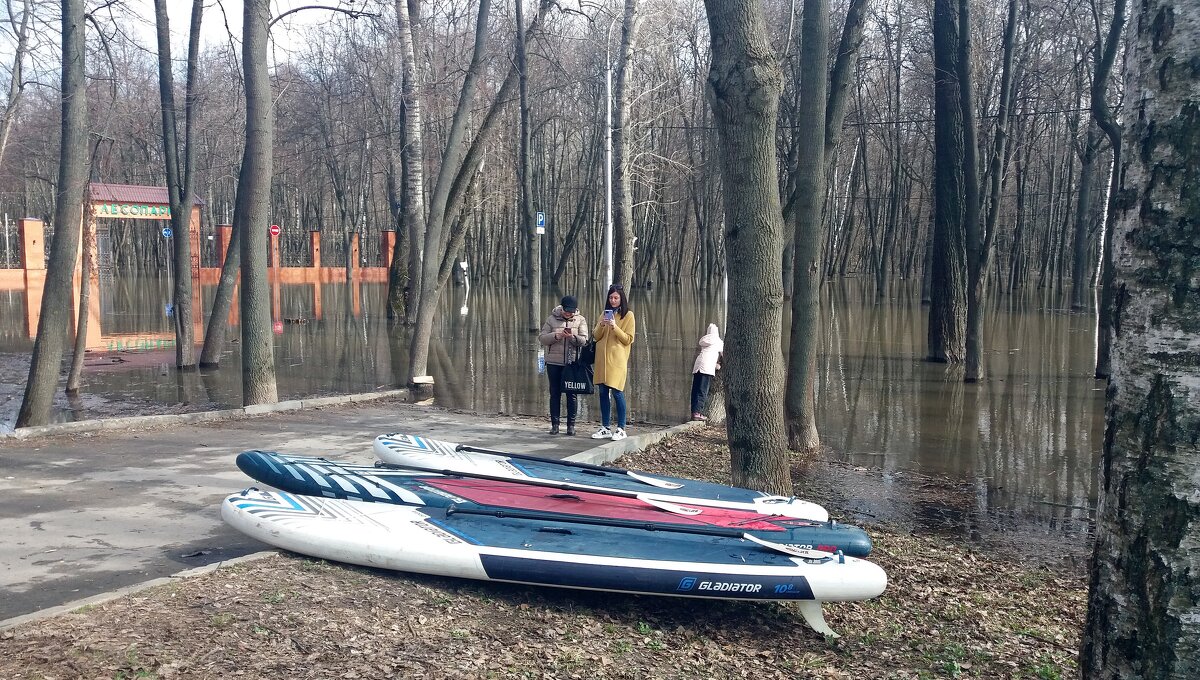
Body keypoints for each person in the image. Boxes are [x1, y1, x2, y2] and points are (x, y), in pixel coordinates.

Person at [538, 295, 589, 435]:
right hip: (554, 362)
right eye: (567, 310)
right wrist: (556, 336)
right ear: (562, 308)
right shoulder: (551, 319)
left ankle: (571, 425)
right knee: (555, 393)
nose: (569, 313)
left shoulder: (581, 320)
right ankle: (555, 424)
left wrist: (572, 337)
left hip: (572, 363)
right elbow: (542, 338)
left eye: (571, 311)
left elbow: (584, 340)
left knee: (571, 394)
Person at [590, 284, 636, 441]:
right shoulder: (604, 314)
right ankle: (605, 427)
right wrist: (602, 324)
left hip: (617, 361)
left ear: (621, 299)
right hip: (601, 360)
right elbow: (596, 336)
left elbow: (628, 339)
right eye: (611, 297)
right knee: (603, 392)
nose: (613, 300)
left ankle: (621, 428)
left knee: (617, 391)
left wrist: (615, 327)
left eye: (616, 297)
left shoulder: (628, 315)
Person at [690, 323, 723, 421]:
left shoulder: (704, 340)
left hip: (698, 365)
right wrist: (718, 365)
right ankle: (698, 413)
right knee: (702, 390)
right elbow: (725, 354)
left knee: (695, 389)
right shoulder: (718, 342)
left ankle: (693, 411)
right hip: (707, 368)